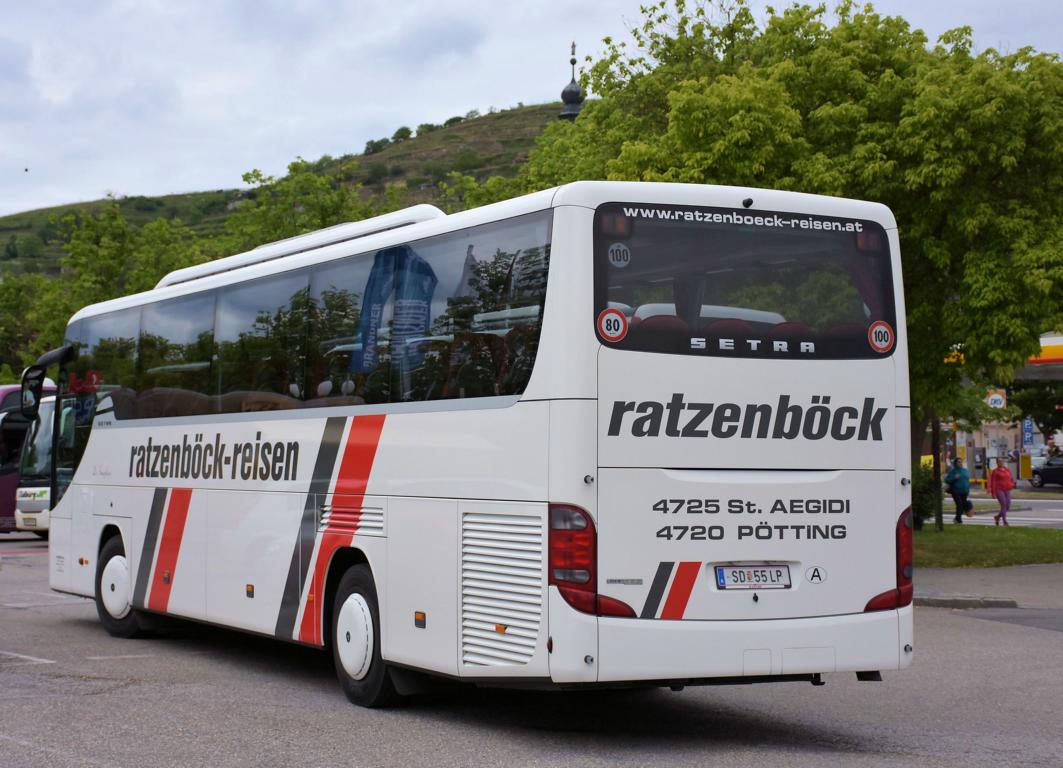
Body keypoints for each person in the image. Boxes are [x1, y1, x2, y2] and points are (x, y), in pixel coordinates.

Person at [987, 457, 1016, 526]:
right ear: (997, 463)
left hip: (1007, 489)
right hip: (999, 490)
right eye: (999, 461)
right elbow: (992, 482)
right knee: (1003, 504)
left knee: (1007, 506)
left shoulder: (1007, 470)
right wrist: (993, 493)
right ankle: (1004, 521)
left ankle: (997, 517)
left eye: (1002, 461)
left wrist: (1012, 484)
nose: (1001, 462)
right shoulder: (995, 471)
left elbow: (1011, 478)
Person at [944, 458, 970, 524]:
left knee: (962, 505)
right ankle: (959, 520)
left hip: (964, 491)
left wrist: (968, 489)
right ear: (955, 463)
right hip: (956, 491)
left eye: (961, 462)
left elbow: (967, 480)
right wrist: (954, 478)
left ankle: (957, 518)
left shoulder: (965, 471)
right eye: (958, 462)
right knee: (959, 504)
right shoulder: (953, 471)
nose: (960, 463)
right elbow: (947, 480)